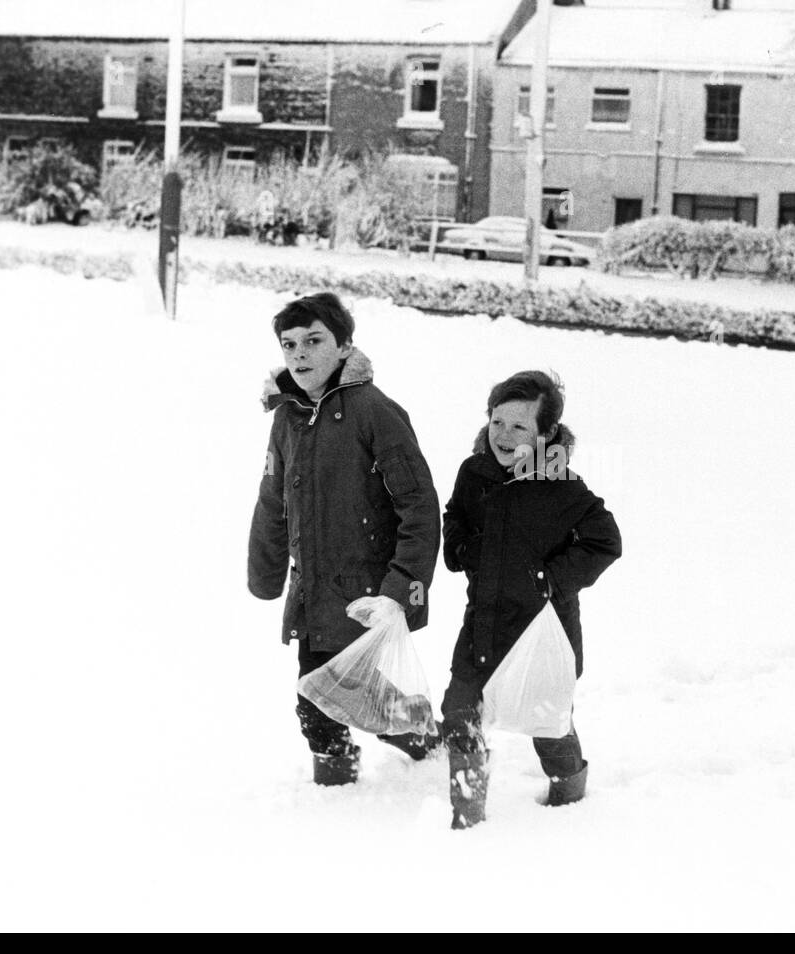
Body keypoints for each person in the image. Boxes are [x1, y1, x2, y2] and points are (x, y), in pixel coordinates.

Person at [248, 292, 441, 786]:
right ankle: (344, 780)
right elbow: (274, 497)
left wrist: (400, 590)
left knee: (335, 695)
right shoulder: (288, 415)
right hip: (311, 586)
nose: (299, 354)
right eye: (289, 345)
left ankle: (416, 745)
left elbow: (418, 507)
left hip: (366, 593)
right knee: (326, 699)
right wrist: (265, 573)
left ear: (344, 347)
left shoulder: (374, 411)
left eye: (314, 341)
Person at [441, 370, 622, 829]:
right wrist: (461, 549)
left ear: (545, 434)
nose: (503, 435)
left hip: (542, 631)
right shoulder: (475, 472)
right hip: (483, 623)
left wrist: (550, 578)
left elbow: (605, 541)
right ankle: (467, 815)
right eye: (497, 422)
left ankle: (570, 796)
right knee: (459, 715)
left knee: (548, 726)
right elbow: (455, 516)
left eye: (519, 427)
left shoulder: (563, 488)